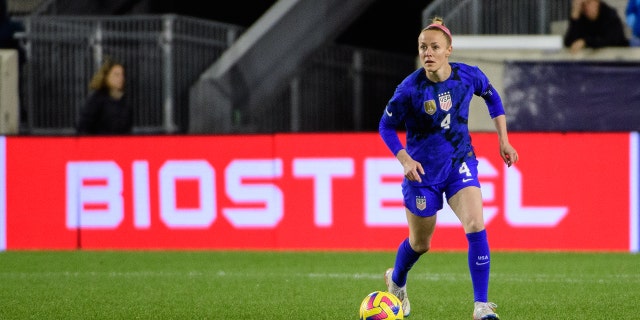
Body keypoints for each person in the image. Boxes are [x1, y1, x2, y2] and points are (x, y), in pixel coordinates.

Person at [378, 17, 519, 319]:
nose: (427, 52)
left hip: (459, 163)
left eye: (434, 47)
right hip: (422, 173)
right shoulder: (409, 89)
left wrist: (503, 140)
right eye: (422, 47)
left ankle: (481, 306)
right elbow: (386, 126)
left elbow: (492, 97)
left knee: (475, 224)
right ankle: (397, 280)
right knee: (420, 243)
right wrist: (404, 158)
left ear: (448, 50)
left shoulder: (468, 76)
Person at [76, 57, 133, 135]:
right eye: (116, 75)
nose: (121, 78)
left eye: (122, 74)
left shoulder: (124, 101)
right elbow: (83, 126)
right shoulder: (96, 99)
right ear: (106, 76)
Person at [563, 0, 629, 54]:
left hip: (616, 60)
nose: (585, 7)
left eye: (588, 3)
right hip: (590, 62)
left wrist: (585, 42)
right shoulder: (581, 18)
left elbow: (612, 40)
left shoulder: (610, 15)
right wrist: (575, 17)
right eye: (582, 5)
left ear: (597, 2)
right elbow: (568, 42)